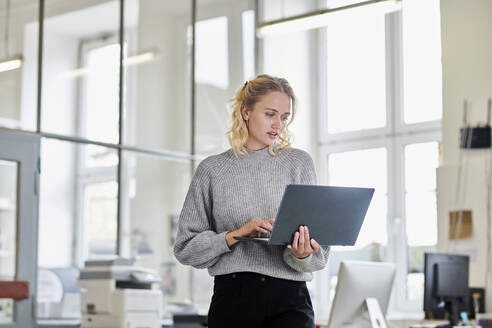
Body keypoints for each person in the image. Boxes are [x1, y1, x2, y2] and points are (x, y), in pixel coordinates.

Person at [173, 74, 330, 328]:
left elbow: (320, 253)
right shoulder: (212, 170)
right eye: (270, 114)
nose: (278, 125)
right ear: (246, 112)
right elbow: (185, 248)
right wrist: (234, 235)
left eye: (284, 117)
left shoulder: (299, 163)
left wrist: (302, 254)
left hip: (291, 298)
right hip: (234, 298)